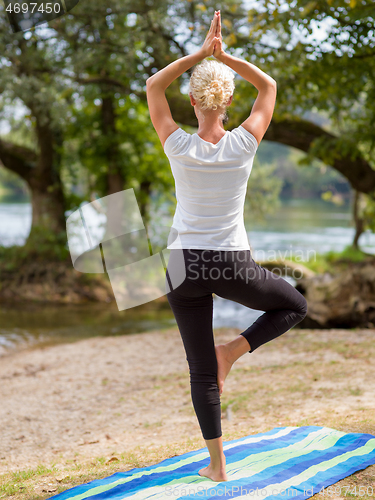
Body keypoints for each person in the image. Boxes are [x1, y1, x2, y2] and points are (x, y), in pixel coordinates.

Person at [146, 10, 307, 482]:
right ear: (228, 100)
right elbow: (269, 88)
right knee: (293, 304)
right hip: (230, 265)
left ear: (193, 101)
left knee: (200, 371)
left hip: (180, 267)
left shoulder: (176, 144)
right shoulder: (243, 145)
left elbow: (155, 87)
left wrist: (198, 55)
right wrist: (226, 56)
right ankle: (232, 353)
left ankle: (217, 467)